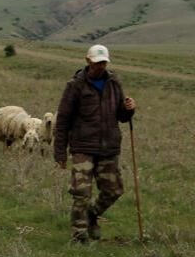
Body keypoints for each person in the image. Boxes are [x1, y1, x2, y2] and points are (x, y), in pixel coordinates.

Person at [53, 44, 136, 243]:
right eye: (97, 63)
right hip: (82, 147)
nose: (101, 67)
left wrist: (129, 109)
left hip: (108, 147)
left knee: (113, 190)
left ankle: (92, 215)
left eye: (104, 63)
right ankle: (79, 236)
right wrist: (60, 153)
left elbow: (121, 116)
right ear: (88, 61)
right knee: (81, 193)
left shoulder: (114, 83)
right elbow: (63, 120)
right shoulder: (75, 86)